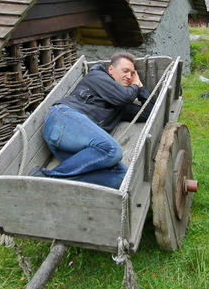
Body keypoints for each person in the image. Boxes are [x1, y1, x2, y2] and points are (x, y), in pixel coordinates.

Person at [34, 52, 153, 189]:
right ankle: (45, 178)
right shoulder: (98, 76)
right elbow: (123, 96)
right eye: (125, 71)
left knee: (121, 176)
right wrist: (135, 87)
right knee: (112, 150)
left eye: (132, 74)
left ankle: (57, 182)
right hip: (62, 120)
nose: (129, 76)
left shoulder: (120, 106)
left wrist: (141, 87)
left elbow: (147, 113)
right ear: (111, 70)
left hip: (77, 146)